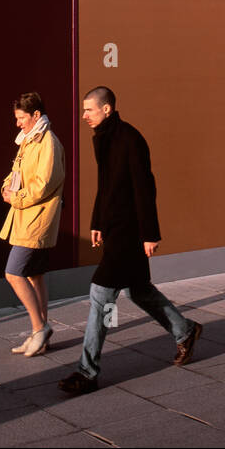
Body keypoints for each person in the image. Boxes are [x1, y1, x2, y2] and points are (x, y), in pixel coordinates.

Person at [58, 87, 202, 394]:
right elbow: (106, 184)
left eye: (89, 110)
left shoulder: (130, 139)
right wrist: (98, 222)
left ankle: (87, 371)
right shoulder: (103, 138)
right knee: (139, 291)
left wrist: (150, 234)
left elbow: (144, 188)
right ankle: (185, 331)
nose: (84, 115)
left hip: (130, 233)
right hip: (114, 229)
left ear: (107, 109)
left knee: (100, 294)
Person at [0, 92, 65, 356]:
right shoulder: (30, 140)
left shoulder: (47, 142)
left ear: (35, 115)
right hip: (28, 217)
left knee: (13, 273)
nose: (18, 124)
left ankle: (39, 329)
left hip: (36, 219)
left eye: (21, 118)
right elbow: (17, 172)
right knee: (34, 276)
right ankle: (42, 337)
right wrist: (7, 187)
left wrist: (17, 197)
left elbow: (45, 183)